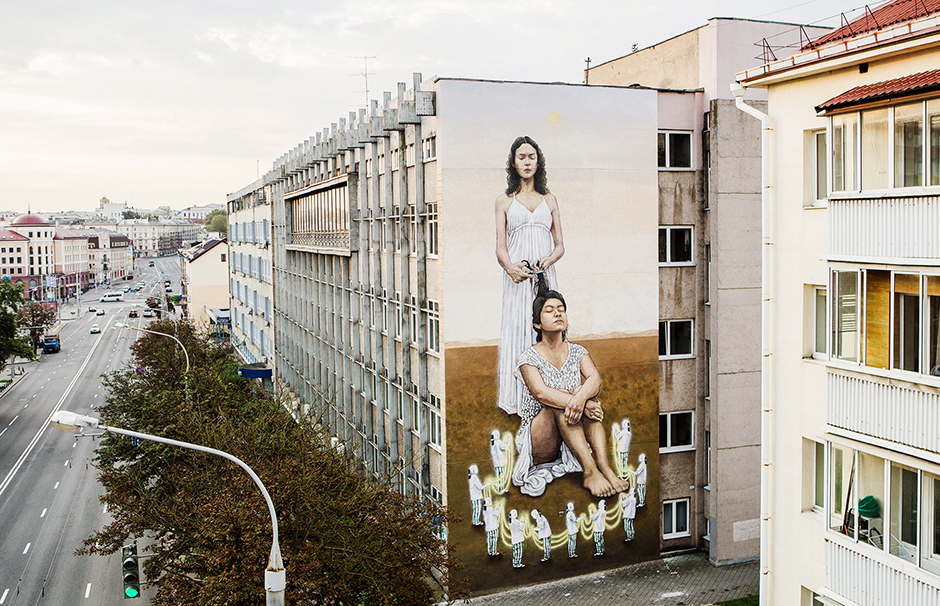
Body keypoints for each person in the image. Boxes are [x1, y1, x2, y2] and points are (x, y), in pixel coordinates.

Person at [512, 285, 629, 497]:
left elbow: (595, 379)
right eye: (549, 310)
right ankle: (590, 472)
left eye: (561, 309)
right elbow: (541, 393)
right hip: (539, 440)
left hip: (570, 431)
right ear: (537, 323)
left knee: (583, 392)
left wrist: (582, 398)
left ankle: (606, 468)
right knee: (561, 404)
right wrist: (578, 402)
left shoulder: (577, 351)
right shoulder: (528, 358)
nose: (558, 313)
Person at [495, 136, 564, 416]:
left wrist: (547, 261)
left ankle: (549, 390)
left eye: (531, 157)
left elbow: (560, 245)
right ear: (513, 162)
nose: (526, 162)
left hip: (544, 277)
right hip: (518, 279)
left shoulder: (549, 200)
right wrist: (512, 269)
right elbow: (500, 249)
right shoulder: (504, 201)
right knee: (519, 326)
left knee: (547, 327)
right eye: (521, 157)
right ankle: (520, 398)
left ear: (539, 162)